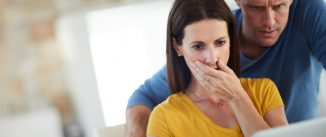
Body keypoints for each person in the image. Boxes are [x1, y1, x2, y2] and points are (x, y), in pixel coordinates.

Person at [126, 0, 326, 136]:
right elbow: (145, 96)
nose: (212, 58)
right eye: (256, 7)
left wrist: (236, 96)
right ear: (178, 47)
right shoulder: (164, 116)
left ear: (230, 40)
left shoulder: (264, 90)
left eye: (220, 42)